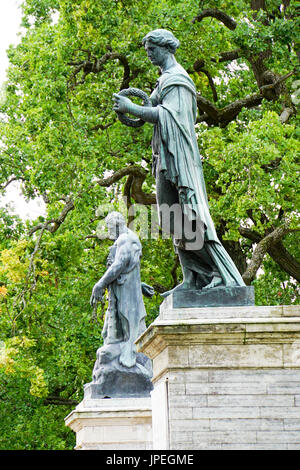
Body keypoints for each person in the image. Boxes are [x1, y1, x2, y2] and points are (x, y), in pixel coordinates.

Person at [112, 29, 245, 296]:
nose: (148, 55)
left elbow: (170, 117)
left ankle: (222, 274)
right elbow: (155, 110)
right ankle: (192, 277)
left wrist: (131, 108)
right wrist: (138, 110)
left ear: (165, 48)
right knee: (171, 218)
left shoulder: (178, 80)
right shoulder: (163, 81)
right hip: (164, 158)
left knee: (192, 216)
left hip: (180, 158)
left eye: (152, 49)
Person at [90, 211, 151, 368]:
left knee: (132, 333)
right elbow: (130, 269)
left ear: (117, 225)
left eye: (110, 228)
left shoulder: (126, 239)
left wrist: (100, 284)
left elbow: (119, 265)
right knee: (114, 334)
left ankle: (133, 366)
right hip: (123, 293)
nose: (109, 232)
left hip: (126, 298)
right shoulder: (127, 238)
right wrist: (139, 284)